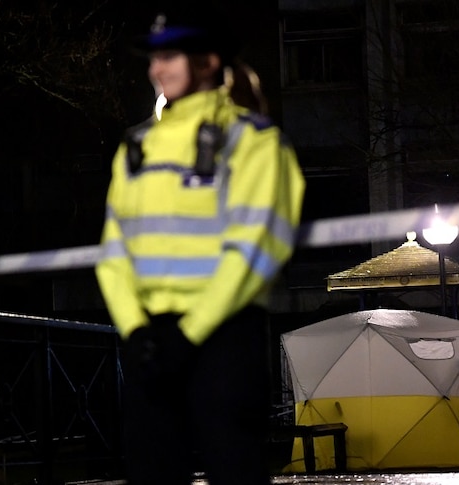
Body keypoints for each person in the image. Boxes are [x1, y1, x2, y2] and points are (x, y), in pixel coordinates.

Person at [95, 6, 306, 485]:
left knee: (234, 471)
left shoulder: (251, 140)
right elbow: (113, 254)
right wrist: (135, 330)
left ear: (208, 62)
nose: (155, 69)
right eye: (153, 58)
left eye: (169, 56)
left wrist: (186, 332)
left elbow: (256, 247)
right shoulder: (137, 145)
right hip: (151, 340)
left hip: (223, 339)